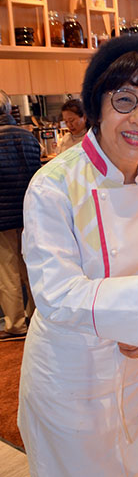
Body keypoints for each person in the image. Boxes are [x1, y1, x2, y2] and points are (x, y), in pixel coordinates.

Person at [18, 35, 138, 476]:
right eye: (124, 99)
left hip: (136, 371)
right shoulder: (53, 185)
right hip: (71, 378)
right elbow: (57, 295)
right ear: (97, 105)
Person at [0, 90, 40, 341]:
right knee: (30, 266)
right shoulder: (27, 136)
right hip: (28, 213)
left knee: (7, 271)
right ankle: (36, 315)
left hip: (2, 216)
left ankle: (15, 324)